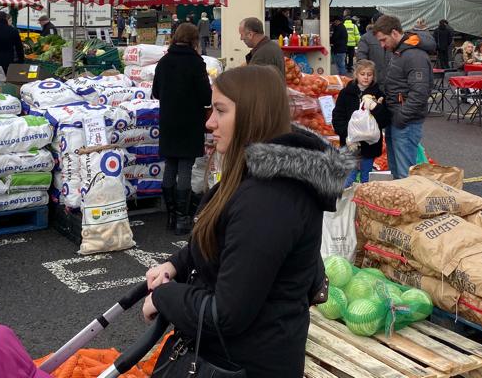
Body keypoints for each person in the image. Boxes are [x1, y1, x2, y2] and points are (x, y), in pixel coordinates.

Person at [142, 65, 352, 378]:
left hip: (244, 365)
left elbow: (225, 316)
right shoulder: (254, 177)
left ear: (253, 114)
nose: (209, 122)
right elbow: (220, 235)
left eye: (220, 110)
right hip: (237, 357)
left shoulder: (270, 199)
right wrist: (176, 263)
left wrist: (164, 297)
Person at [152, 23, 213, 235]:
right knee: (185, 166)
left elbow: (156, 92)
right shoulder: (196, 63)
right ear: (194, 40)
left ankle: (170, 216)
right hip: (190, 121)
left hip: (168, 120)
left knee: (170, 164)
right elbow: (206, 97)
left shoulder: (164, 61)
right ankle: (183, 218)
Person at [374, 15, 435, 179]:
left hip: (405, 122)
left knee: (405, 175)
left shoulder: (414, 55)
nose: (382, 45)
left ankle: (408, 204)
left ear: (394, 33)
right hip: (396, 118)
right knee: (397, 172)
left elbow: (420, 92)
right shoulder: (399, 52)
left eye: (383, 39)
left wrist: (402, 117)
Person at [332, 60, 390, 186]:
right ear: (356, 75)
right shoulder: (346, 93)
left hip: (370, 145)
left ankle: (362, 204)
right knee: (348, 179)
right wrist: (346, 135)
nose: (366, 77)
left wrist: (375, 107)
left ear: (373, 76)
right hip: (350, 143)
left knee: (366, 179)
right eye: (362, 74)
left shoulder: (378, 94)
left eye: (369, 74)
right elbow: (338, 116)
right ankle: (344, 204)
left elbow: (385, 120)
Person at [355, 19, 390, 87]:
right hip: (374, 77)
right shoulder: (366, 37)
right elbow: (361, 57)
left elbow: (361, 56)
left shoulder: (366, 37)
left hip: (377, 77)